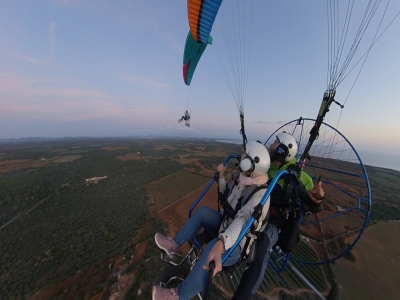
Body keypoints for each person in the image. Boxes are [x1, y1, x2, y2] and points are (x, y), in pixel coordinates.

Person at [152, 141, 272, 300]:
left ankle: (177, 296)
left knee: (213, 245)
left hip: (238, 244)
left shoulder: (260, 195)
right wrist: (221, 177)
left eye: (244, 154)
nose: (241, 153)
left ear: (249, 163)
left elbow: (243, 221)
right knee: (203, 212)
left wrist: (222, 242)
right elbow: (227, 195)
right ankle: (173, 245)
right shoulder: (243, 179)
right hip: (225, 224)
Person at [231, 132, 325, 300]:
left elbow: (312, 204)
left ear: (282, 151)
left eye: (276, 143)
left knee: (261, 246)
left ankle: (244, 296)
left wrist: (317, 200)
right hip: (256, 213)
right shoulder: (268, 165)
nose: (272, 145)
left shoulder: (301, 178)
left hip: (274, 224)